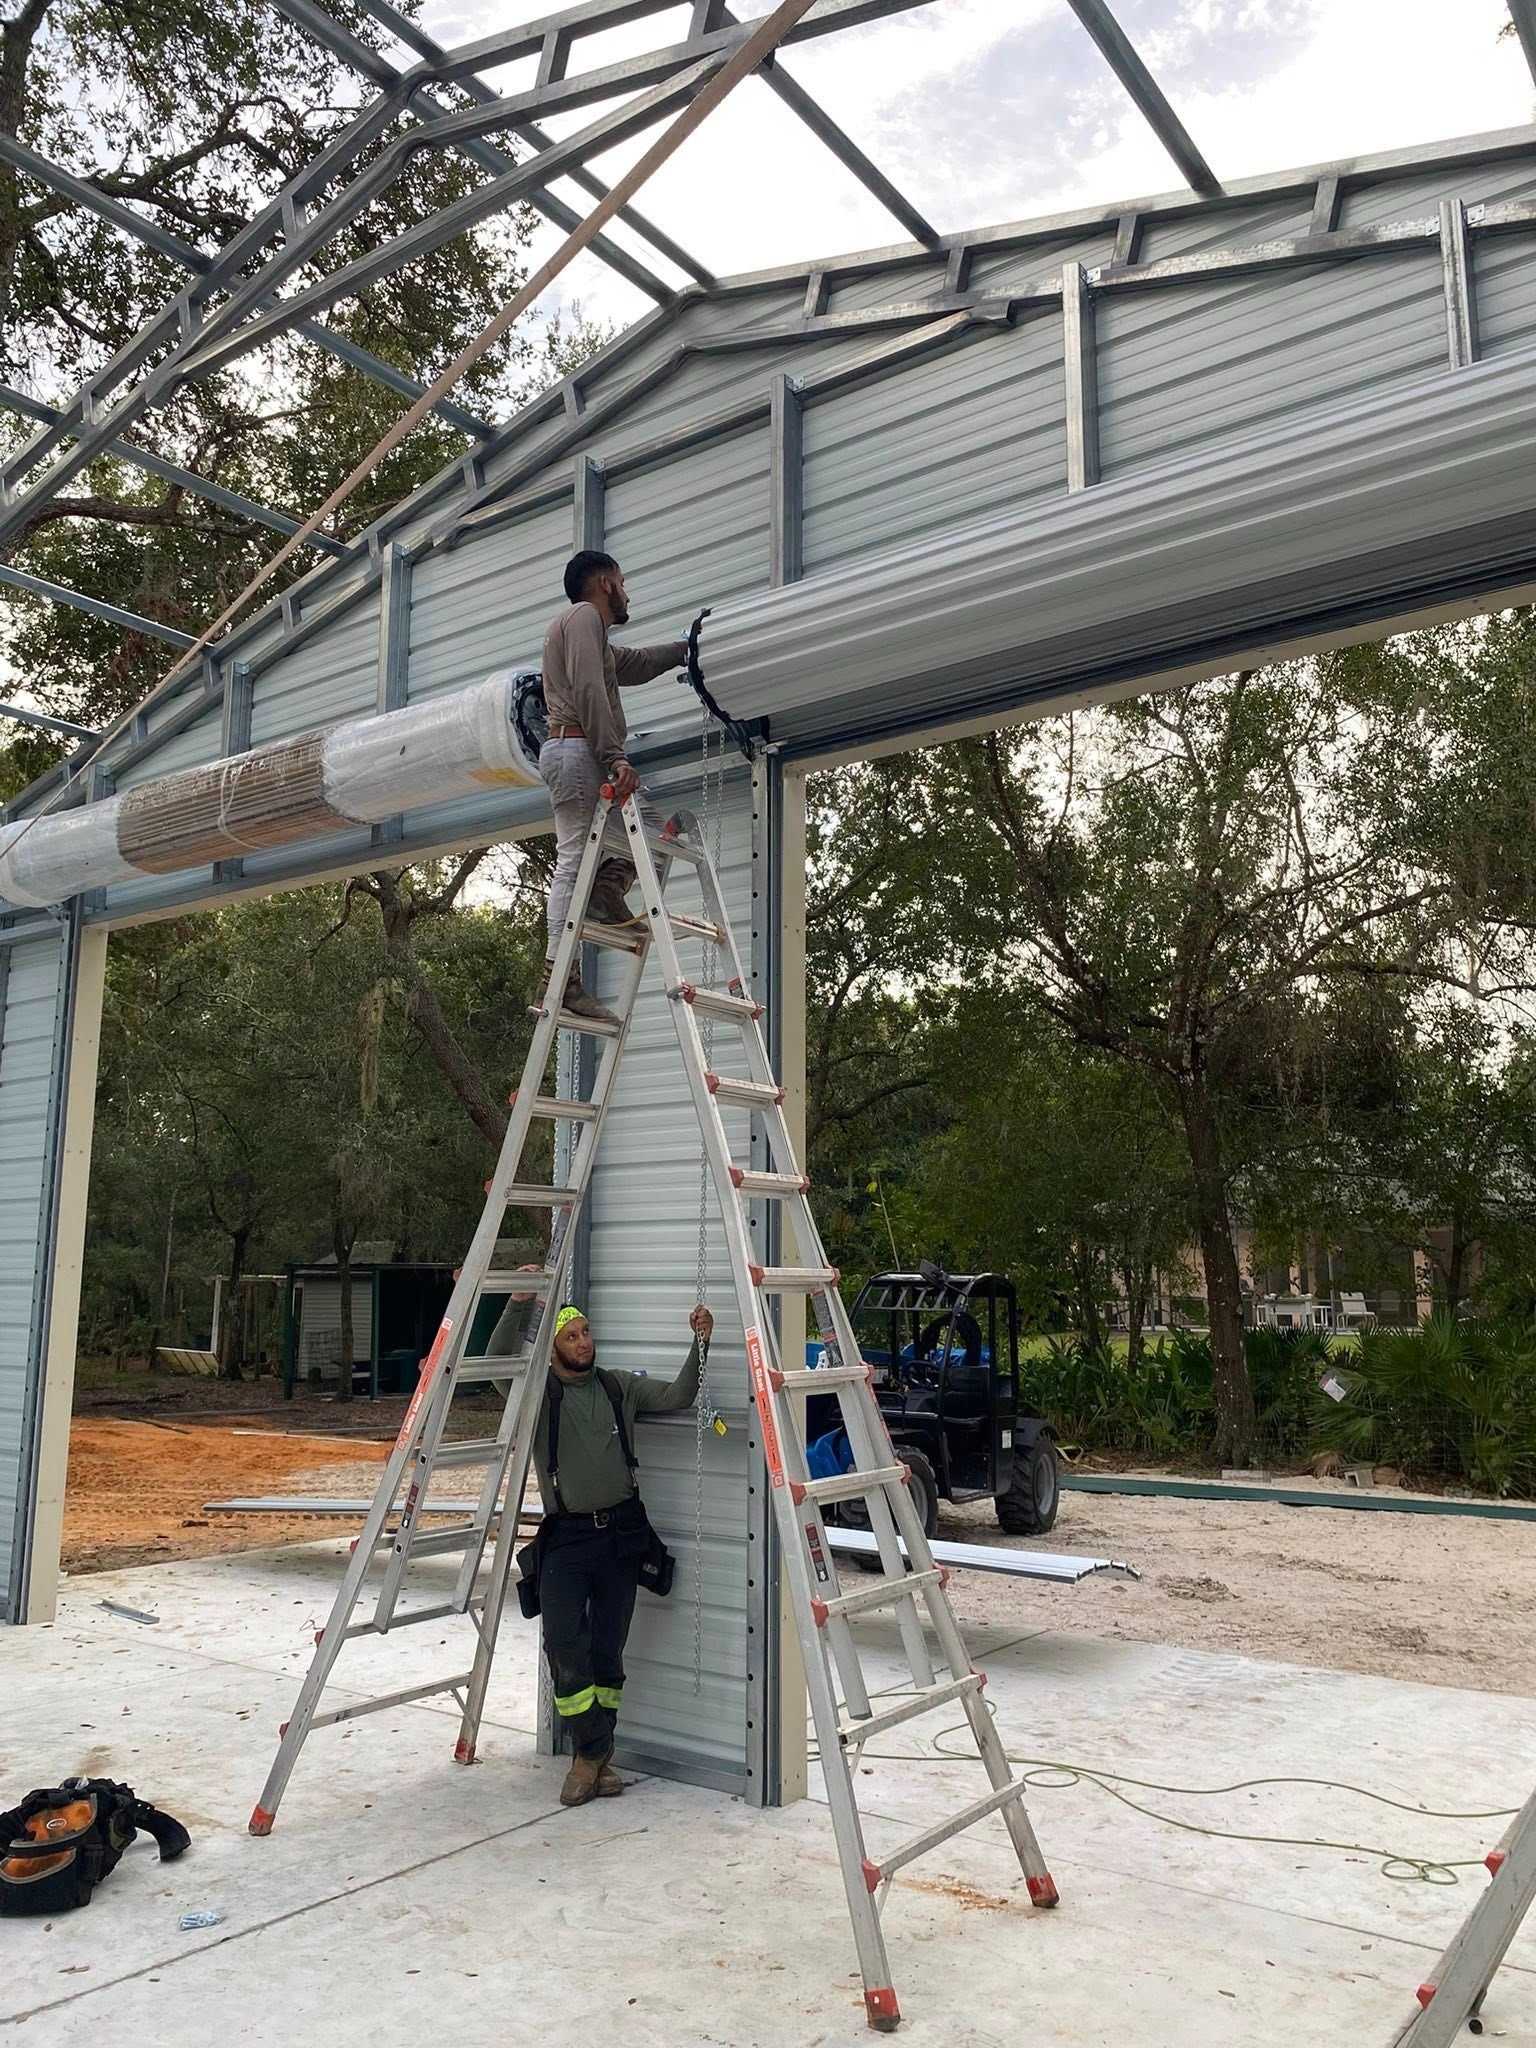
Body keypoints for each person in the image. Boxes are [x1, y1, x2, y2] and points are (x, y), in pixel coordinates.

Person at [528, 1298, 710, 1807]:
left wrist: (701, 1342)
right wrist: (517, 1306)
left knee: (608, 1650)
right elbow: (500, 1362)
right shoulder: (538, 1394)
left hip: (620, 1536)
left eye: (586, 1332)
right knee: (564, 1643)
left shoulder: (616, 1386)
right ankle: (594, 1752)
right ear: (553, 1349)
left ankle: (592, 1758)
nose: (584, 1342)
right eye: (571, 1336)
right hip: (566, 1539)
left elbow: (679, 1395)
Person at [537, 550, 687, 1023]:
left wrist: (688, 646)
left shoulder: (594, 638)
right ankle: (560, 980)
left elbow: (636, 664)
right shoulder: (581, 618)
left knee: (658, 834)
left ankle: (607, 888)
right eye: (623, 582)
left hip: (585, 754)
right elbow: (588, 689)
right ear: (604, 583)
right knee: (574, 859)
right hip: (578, 751)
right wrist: (614, 755)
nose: (628, 592)